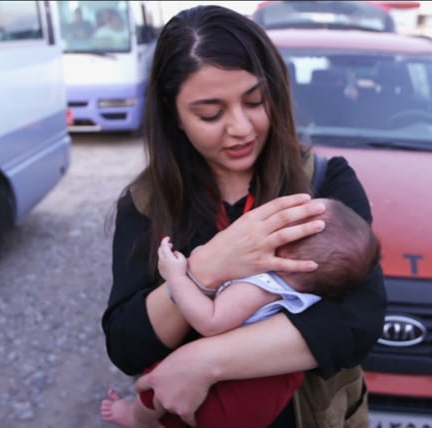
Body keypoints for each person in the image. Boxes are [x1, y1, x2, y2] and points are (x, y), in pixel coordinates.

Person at [101, 5, 387, 428]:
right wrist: (206, 267)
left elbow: (358, 320)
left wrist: (202, 362)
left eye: (255, 101)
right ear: (172, 112)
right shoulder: (145, 204)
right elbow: (127, 346)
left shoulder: (324, 183)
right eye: (210, 113)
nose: (241, 128)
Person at [101, 198, 381, 428]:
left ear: (288, 253)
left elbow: (210, 321)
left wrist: (177, 278)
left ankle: (134, 418)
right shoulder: (308, 293)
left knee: (158, 384)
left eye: (292, 223)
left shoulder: (259, 288)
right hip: (267, 396)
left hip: (234, 395)